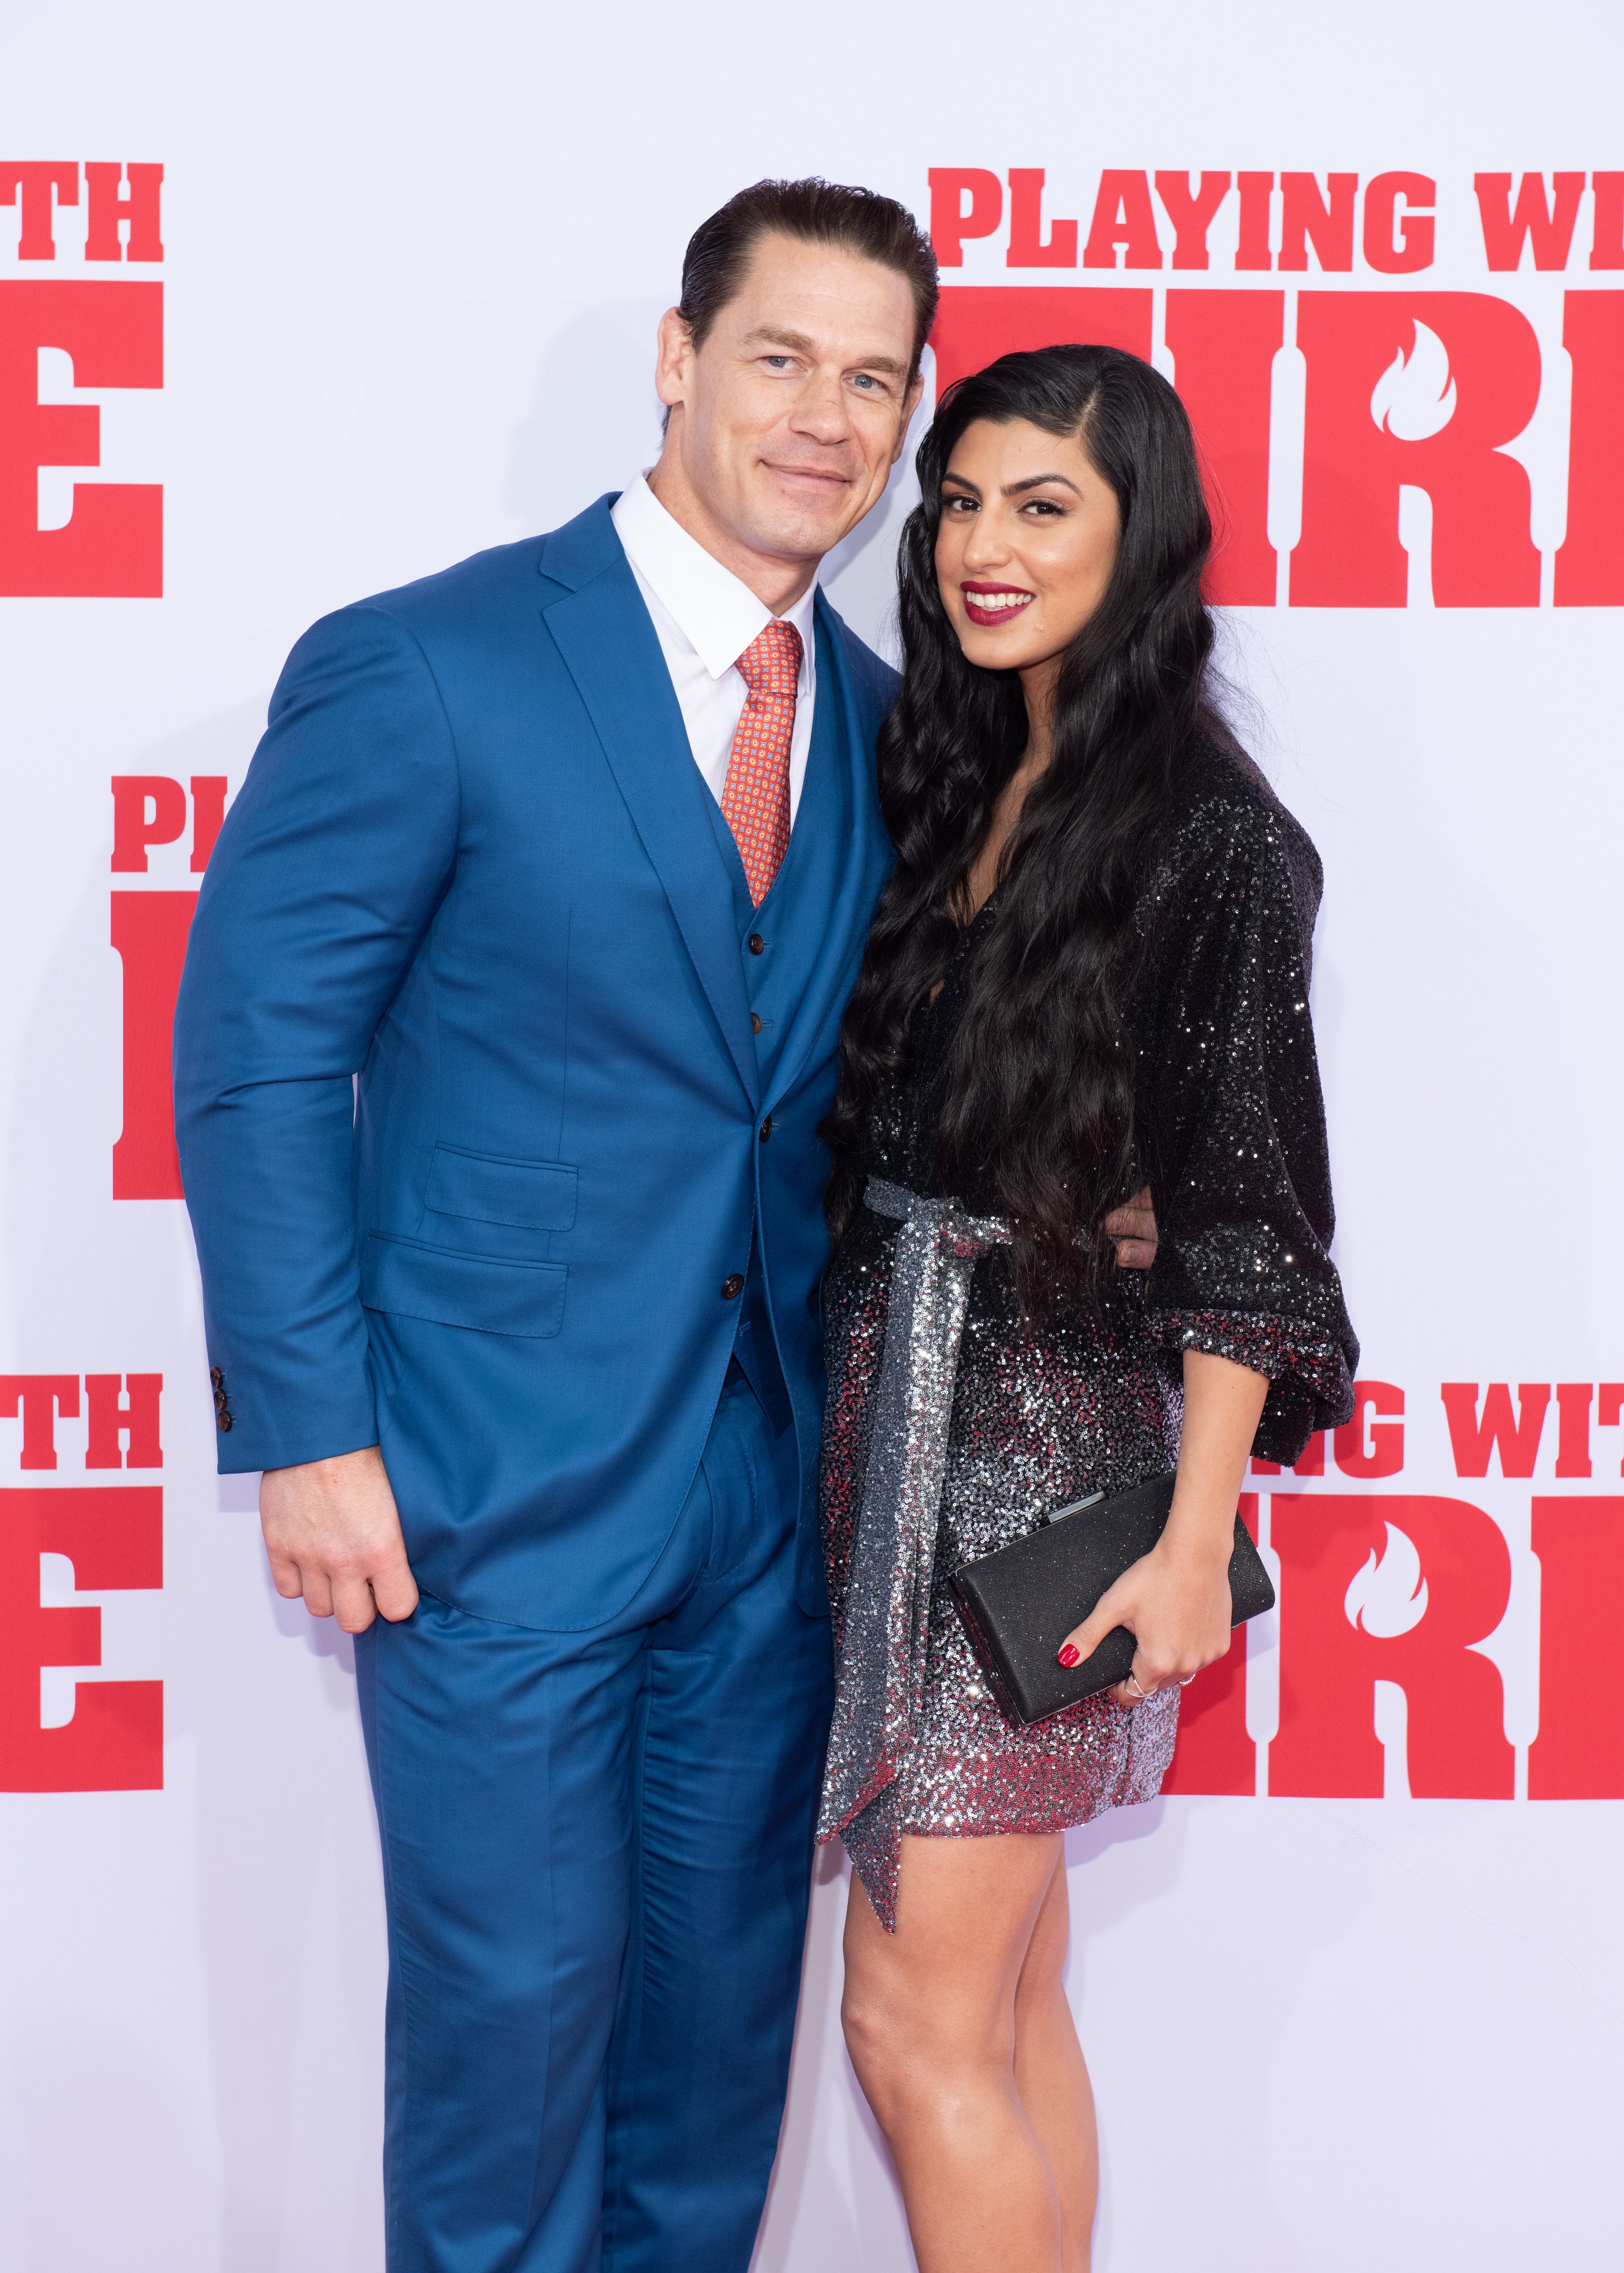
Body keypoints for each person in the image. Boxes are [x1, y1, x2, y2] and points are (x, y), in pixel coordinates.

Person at [174, 177, 954, 2273]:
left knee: (709, 2085)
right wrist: (311, 1435)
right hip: (483, 1500)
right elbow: (255, 1064)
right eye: (782, 357)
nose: (826, 417)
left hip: (768, 1516)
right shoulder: (429, 665)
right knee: (508, 2064)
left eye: (872, 379)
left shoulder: (887, 722)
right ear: (683, 361)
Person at [815, 344, 1360, 2273]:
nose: (978, 542)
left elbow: (1251, 1229)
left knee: (914, 2016)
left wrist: (1198, 1540)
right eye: (957, 498)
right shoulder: (964, 761)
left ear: (1144, 534)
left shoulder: (1206, 833)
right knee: (1009, 1991)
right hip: (906, 1416)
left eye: (1040, 505)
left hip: (1040, 1473)